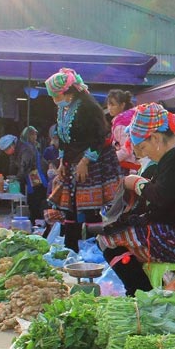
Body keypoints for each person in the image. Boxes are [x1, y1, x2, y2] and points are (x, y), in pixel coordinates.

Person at [98, 102, 175, 295]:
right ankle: (140, 291)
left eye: (143, 147)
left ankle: (140, 292)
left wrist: (134, 182)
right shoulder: (173, 157)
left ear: (155, 138)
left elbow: (159, 196)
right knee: (115, 231)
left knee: (108, 240)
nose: (143, 153)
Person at [45, 68, 121, 251]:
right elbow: (63, 138)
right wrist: (63, 161)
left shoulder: (88, 107)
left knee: (90, 209)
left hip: (93, 162)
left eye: (55, 95)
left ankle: (95, 251)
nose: (54, 99)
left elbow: (100, 136)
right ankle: (71, 248)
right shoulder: (63, 109)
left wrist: (85, 161)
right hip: (72, 162)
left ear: (66, 93)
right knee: (70, 207)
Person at [105, 89, 140, 172]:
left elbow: (127, 149)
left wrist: (110, 160)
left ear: (122, 105)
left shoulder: (122, 124)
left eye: (113, 105)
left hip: (125, 168)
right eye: (108, 104)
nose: (109, 108)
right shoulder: (127, 119)